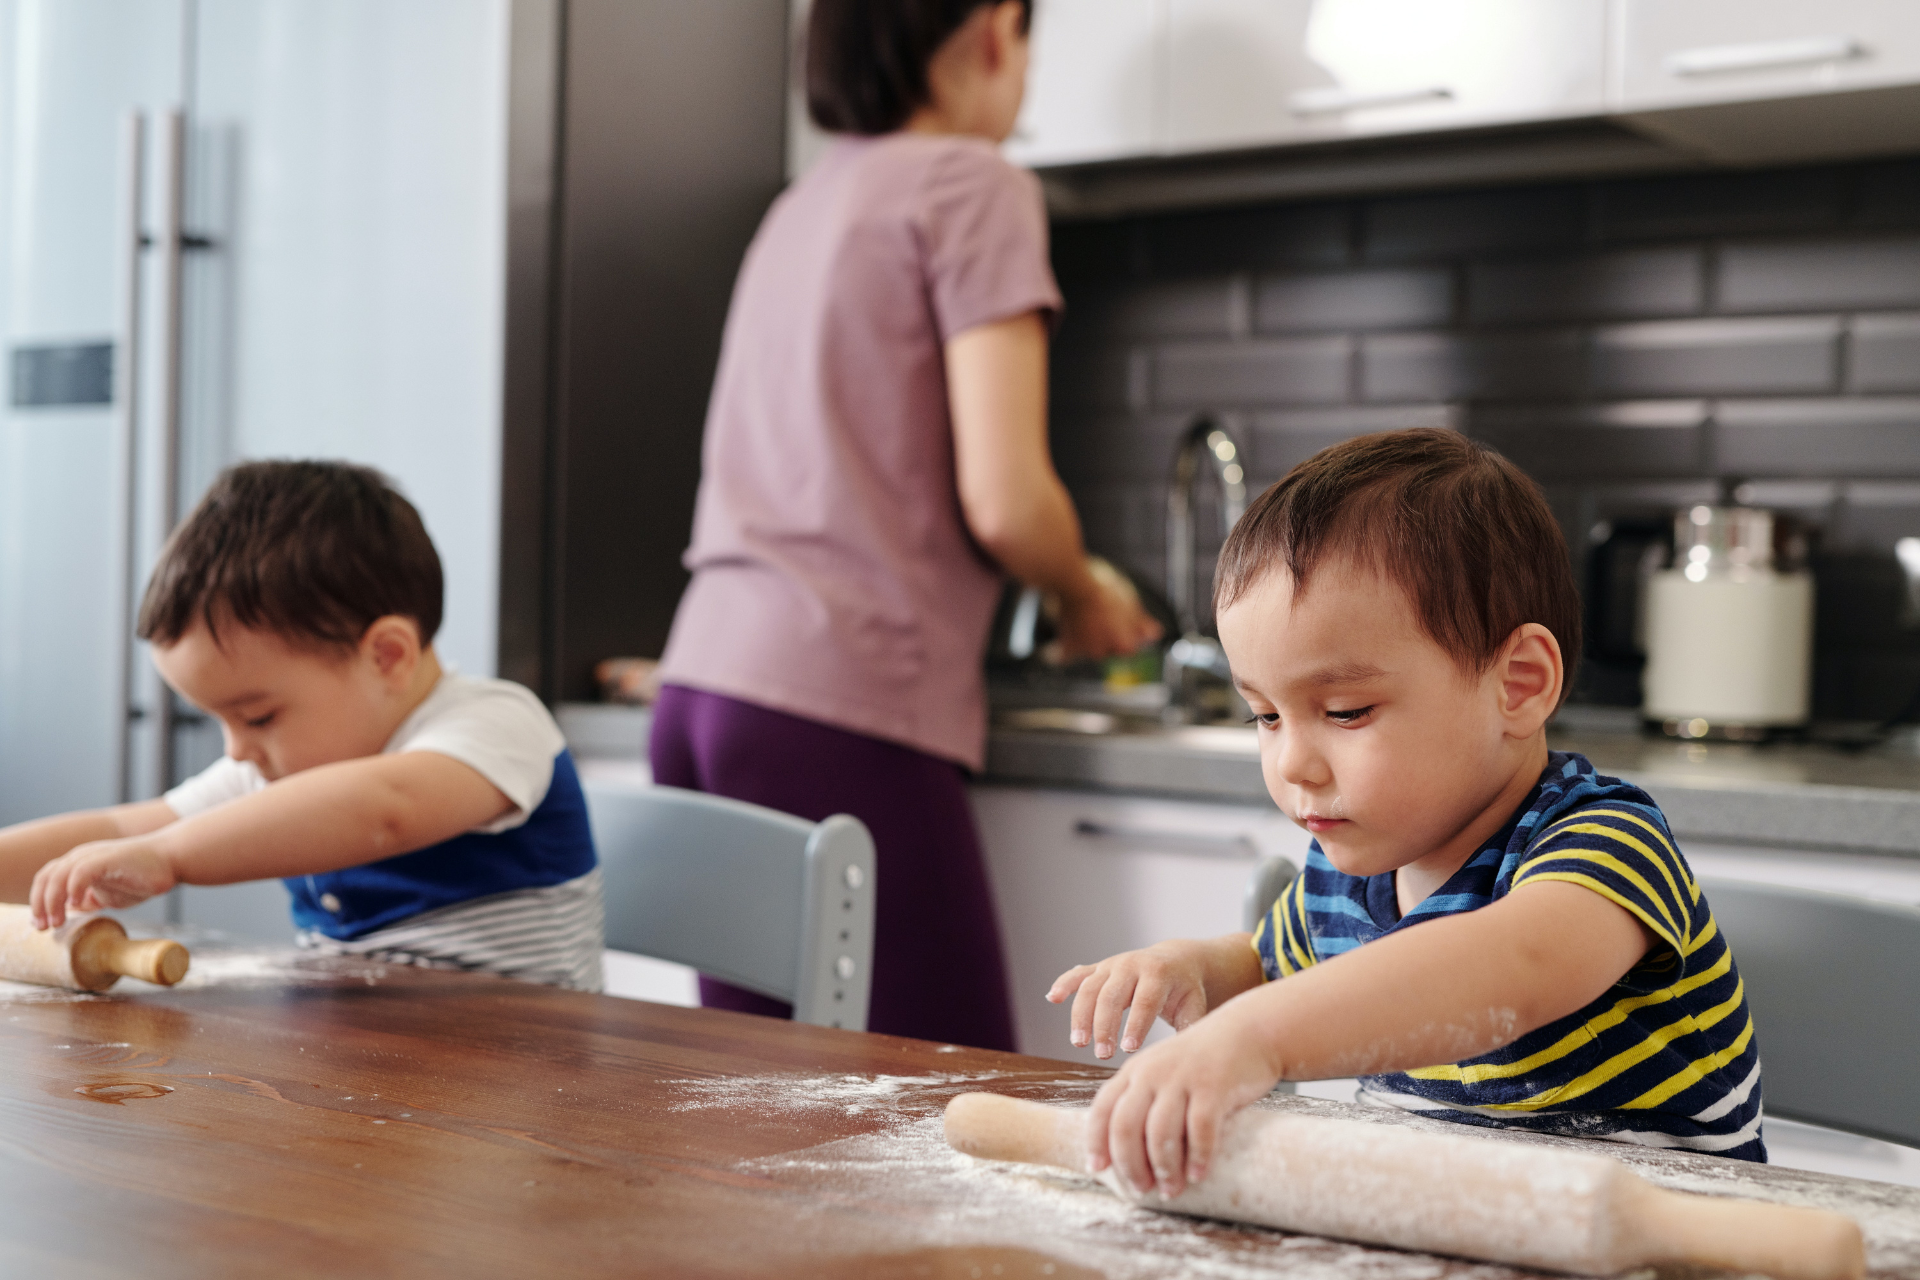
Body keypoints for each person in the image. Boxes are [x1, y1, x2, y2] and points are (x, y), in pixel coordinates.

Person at [1050, 429, 1765, 1201]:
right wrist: (1190, 971)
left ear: (1518, 685)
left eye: (1347, 710)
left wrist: (1255, 1037)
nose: (1293, 763)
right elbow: (1267, 968)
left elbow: (1509, 970)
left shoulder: (1606, 845)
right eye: (1264, 715)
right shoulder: (1345, 874)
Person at [650, 0, 1158, 1049]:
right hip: (839, 704)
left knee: (760, 1115)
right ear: (990, 30)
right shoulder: (975, 183)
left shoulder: (802, 203)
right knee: (949, 1101)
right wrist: (1081, 590)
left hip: (700, 690)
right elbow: (1008, 497)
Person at [0, 460, 603, 990]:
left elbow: (384, 810)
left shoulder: (497, 725)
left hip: (527, 1075)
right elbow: (124, 825)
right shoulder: (281, 762)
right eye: (220, 720)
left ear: (387, 656)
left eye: (258, 716)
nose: (237, 750)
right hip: (364, 1061)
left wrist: (169, 858)